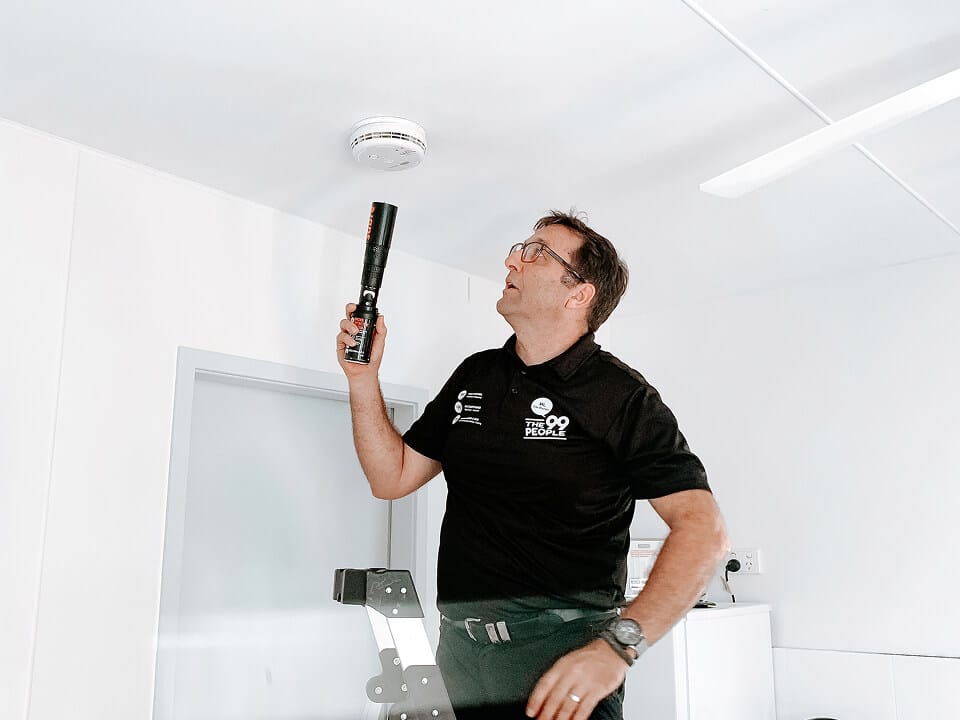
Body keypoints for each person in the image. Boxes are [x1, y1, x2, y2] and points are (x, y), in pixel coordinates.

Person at [336, 210, 728, 720]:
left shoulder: (621, 396)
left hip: (561, 660)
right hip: (458, 656)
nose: (511, 260)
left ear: (578, 293)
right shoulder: (476, 374)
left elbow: (704, 531)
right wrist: (363, 377)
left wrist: (619, 646)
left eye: (536, 252)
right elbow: (391, 478)